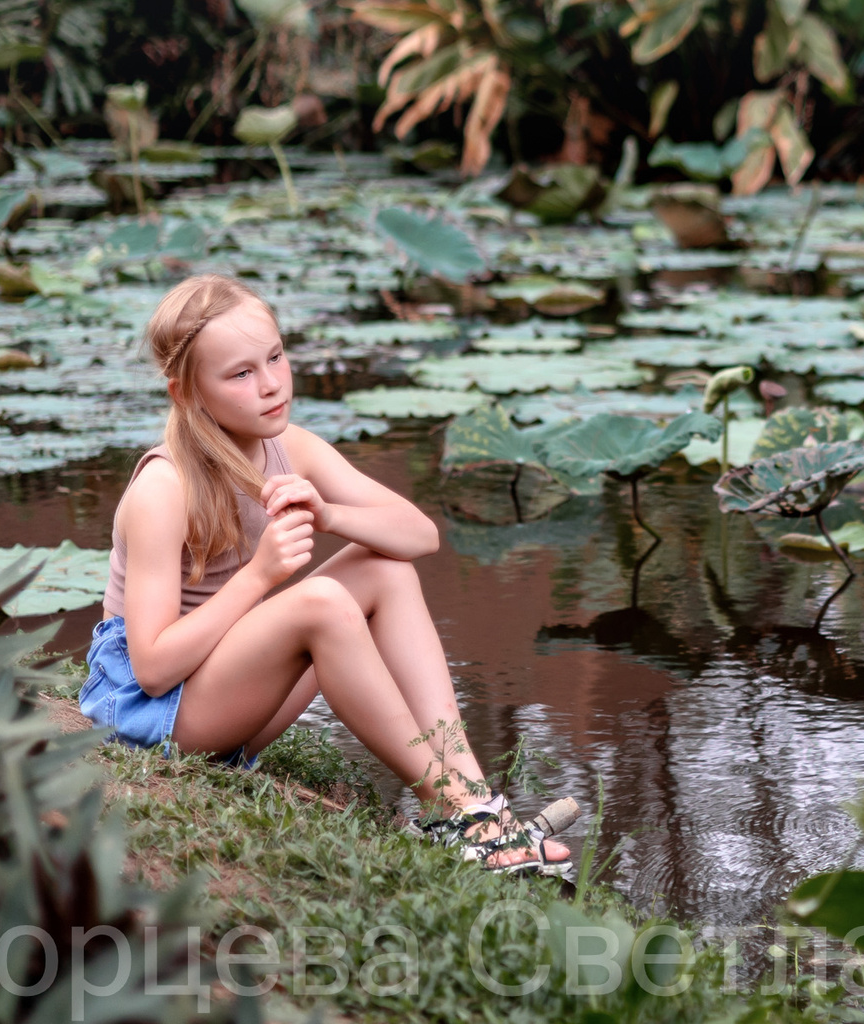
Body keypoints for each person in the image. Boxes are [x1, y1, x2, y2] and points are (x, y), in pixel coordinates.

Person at [82, 272, 574, 876]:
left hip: (225, 696)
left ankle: (474, 806)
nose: (270, 385)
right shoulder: (164, 489)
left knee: (383, 567)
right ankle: (455, 812)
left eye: (276, 357)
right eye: (240, 374)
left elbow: (421, 536)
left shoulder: (292, 447)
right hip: (149, 718)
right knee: (319, 602)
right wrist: (261, 576)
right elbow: (153, 669)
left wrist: (332, 512)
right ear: (185, 392)